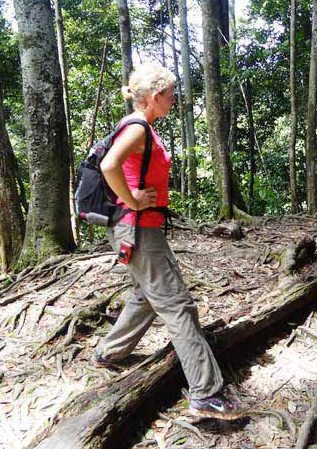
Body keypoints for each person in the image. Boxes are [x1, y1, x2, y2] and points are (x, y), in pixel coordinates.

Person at [92, 63, 240, 419]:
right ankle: (206, 394)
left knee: (148, 294)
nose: (174, 101)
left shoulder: (144, 128)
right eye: (171, 96)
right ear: (155, 97)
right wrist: (131, 200)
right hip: (137, 227)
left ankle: (109, 353)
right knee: (177, 305)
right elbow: (109, 165)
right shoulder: (138, 127)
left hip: (143, 228)